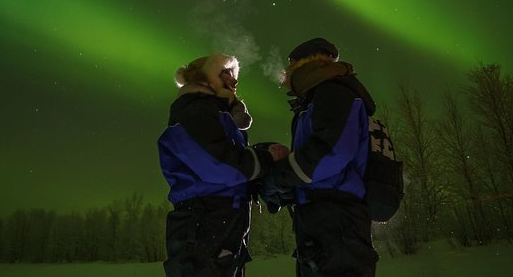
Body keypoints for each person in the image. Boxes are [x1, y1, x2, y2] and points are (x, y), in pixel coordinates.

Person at [158, 53, 288, 277]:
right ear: (206, 77)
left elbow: (227, 161)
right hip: (205, 223)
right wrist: (265, 160)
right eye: (226, 74)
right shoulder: (194, 111)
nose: (234, 82)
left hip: (221, 223)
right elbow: (219, 166)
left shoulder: (216, 115)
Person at [267, 38, 380, 277]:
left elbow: (332, 151)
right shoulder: (316, 99)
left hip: (336, 219)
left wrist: (281, 176)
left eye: (291, 66)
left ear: (304, 66)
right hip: (323, 218)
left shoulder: (334, 91)